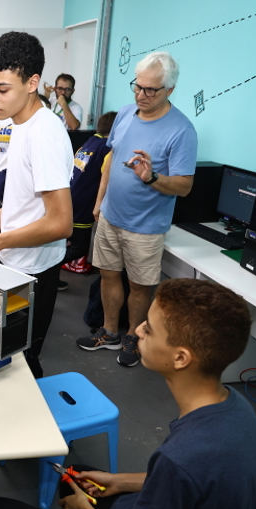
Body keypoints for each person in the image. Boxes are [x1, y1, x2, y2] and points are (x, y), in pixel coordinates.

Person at [0, 279, 256, 509]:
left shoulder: (180, 457)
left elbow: (179, 473)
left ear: (180, 358)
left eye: (148, 329)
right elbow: (189, 483)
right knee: (78, 476)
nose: (138, 330)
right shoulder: (236, 410)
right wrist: (119, 482)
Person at [81, 51, 197, 368]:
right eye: (137, 86)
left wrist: (152, 177)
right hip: (110, 216)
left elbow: (185, 186)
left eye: (150, 90)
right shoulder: (125, 113)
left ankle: (133, 337)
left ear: (170, 90)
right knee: (108, 276)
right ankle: (109, 332)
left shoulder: (182, 130)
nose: (141, 95)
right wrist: (99, 202)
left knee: (139, 286)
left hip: (145, 226)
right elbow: (110, 163)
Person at [0, 31, 74, 378]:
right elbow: (25, 196)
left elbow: (60, 223)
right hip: (14, 258)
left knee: (23, 363)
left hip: (33, 268)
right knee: (3, 349)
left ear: (32, 83)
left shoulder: (44, 134)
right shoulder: (19, 122)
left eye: (2, 89)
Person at [62, 111, 117, 277]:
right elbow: (107, 177)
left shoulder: (90, 141)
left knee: (69, 242)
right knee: (78, 249)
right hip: (84, 205)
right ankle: (49, 267)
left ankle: (51, 272)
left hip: (71, 198)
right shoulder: (107, 148)